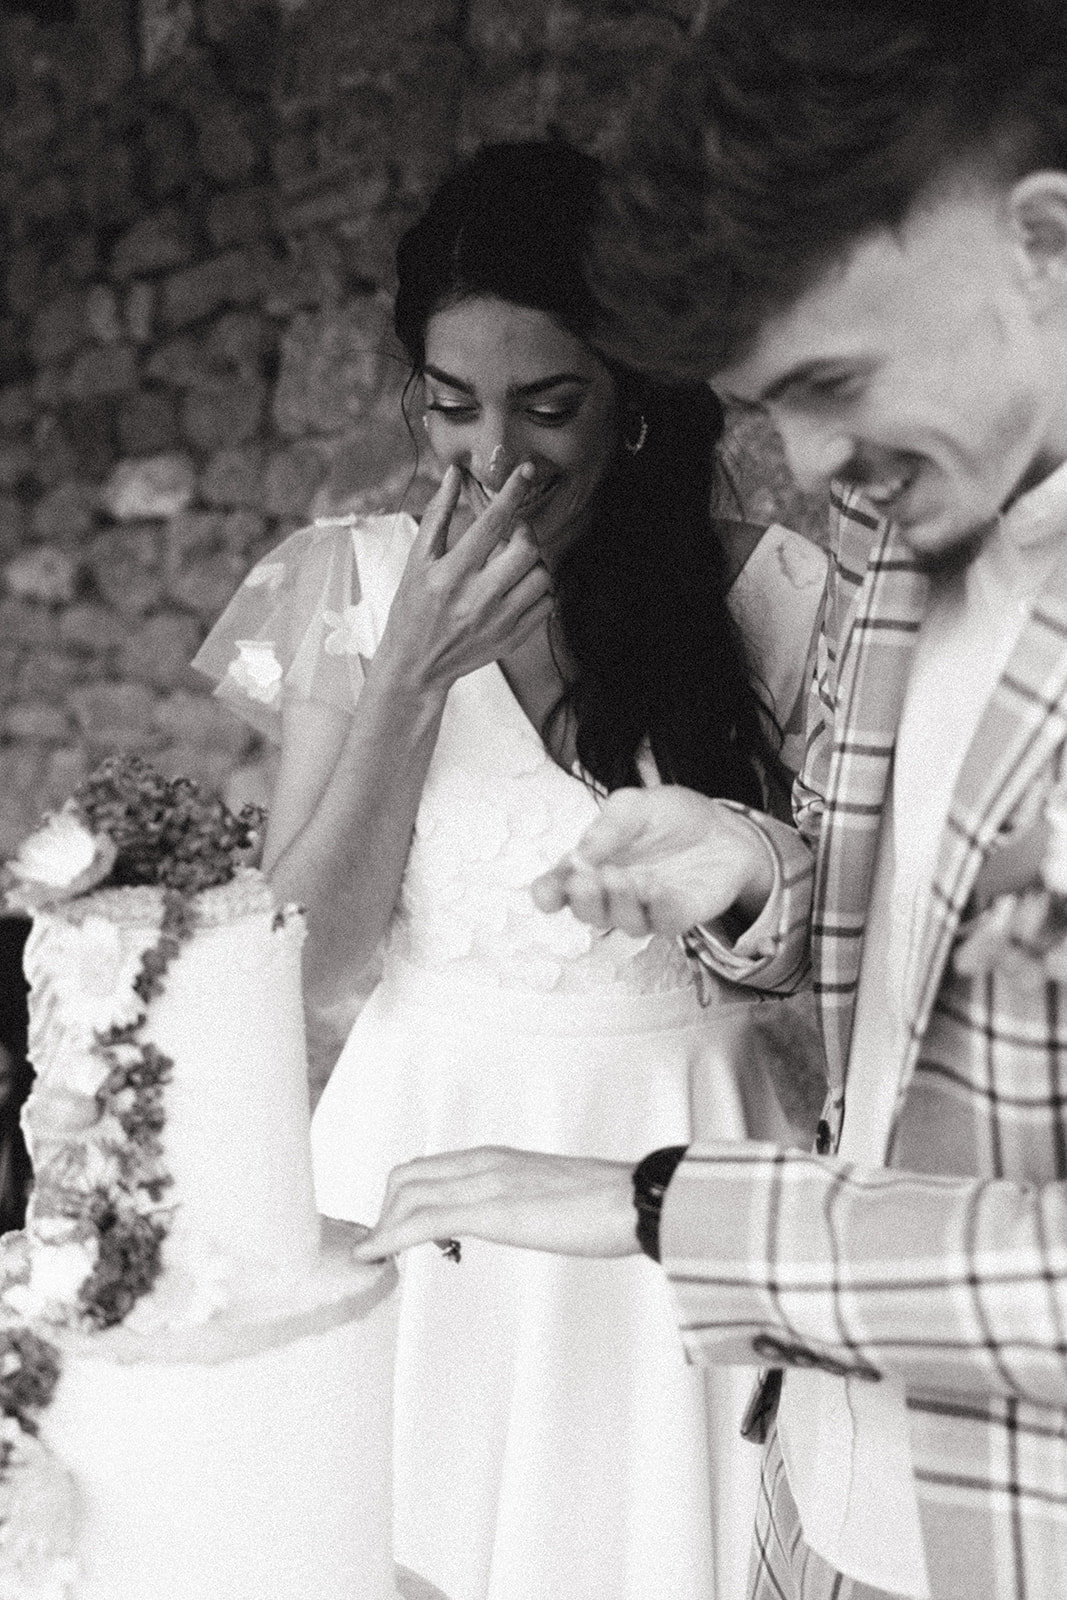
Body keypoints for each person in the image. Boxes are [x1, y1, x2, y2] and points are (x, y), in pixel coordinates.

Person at [355, 7, 1067, 1600]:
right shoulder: (898, 539)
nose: (805, 456)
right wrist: (753, 870)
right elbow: (926, 974)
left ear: (1044, 245)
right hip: (815, 1495)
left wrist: (665, 1204)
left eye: (834, 376)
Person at [194, 140, 826, 1600]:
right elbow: (309, 967)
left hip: (677, 1153)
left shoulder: (766, 592)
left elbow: (832, 925)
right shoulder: (350, 584)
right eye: (451, 406)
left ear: (642, 400)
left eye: (551, 407)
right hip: (424, 1153)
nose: (493, 457)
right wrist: (410, 680)